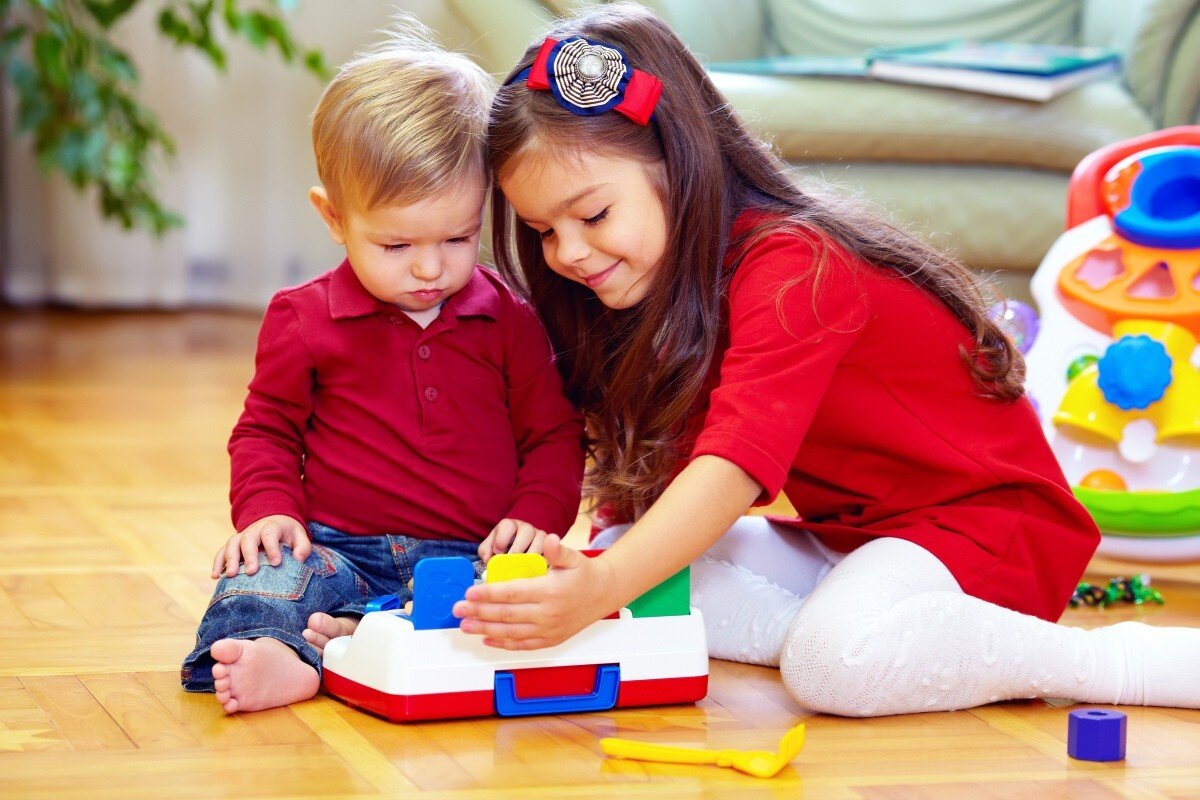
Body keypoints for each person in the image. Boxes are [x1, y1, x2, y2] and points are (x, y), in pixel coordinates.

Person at [454, 3, 1200, 716]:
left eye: (592, 215)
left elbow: (731, 466)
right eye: (544, 231)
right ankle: (880, 640)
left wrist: (605, 588)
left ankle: (1104, 661)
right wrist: (595, 576)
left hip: (987, 532)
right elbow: (655, 479)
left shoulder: (796, 267)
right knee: (625, 552)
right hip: (858, 541)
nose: (569, 253)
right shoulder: (664, 284)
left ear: (680, 162)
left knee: (809, 658)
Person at [180, 26, 584, 714]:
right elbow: (266, 432)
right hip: (338, 550)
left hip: (469, 559)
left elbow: (554, 436)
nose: (430, 268)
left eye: (457, 237)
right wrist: (269, 512)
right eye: (396, 245)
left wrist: (534, 519)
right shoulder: (302, 318)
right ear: (334, 218)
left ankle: (353, 642)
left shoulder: (510, 319)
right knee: (262, 576)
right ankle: (288, 650)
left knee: (521, 599)